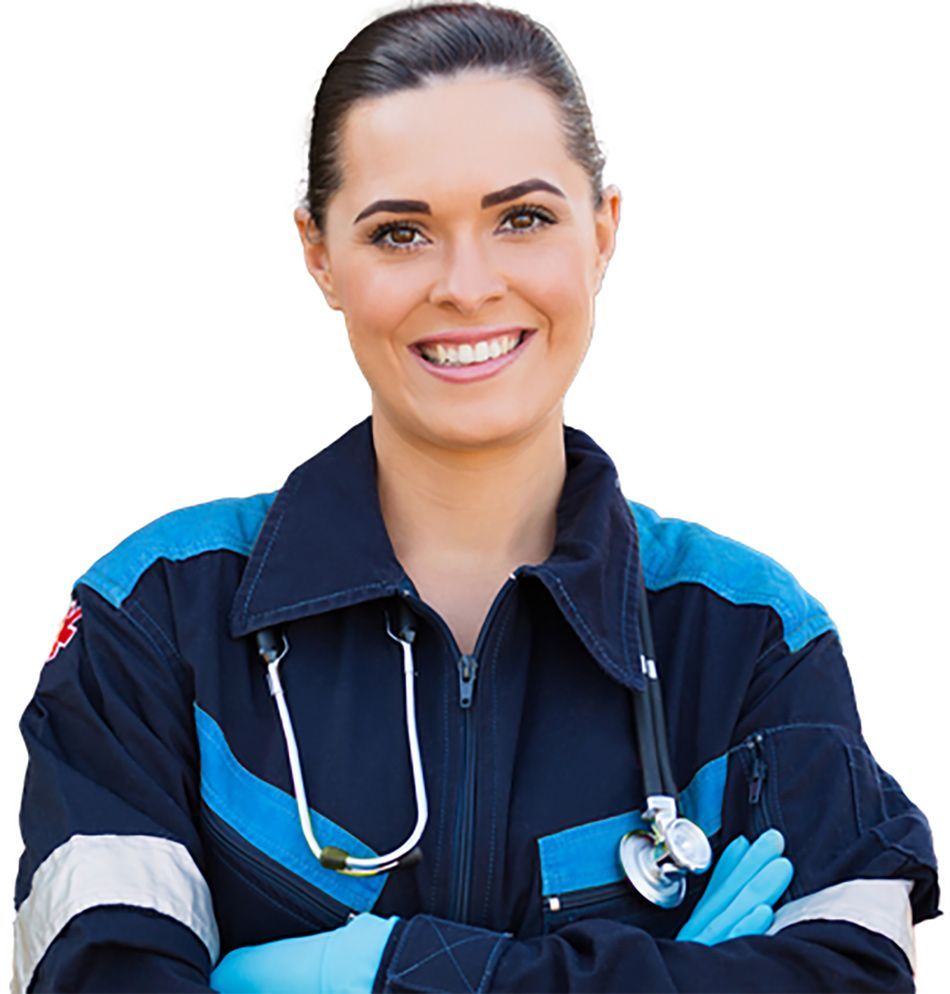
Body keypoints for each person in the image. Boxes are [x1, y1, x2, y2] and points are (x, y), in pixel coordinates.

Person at [12, 3, 939, 992]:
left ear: (602, 232)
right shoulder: (156, 621)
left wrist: (383, 971)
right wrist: (668, 976)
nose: (465, 285)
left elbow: (852, 978)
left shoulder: (749, 641)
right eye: (400, 232)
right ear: (319, 253)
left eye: (522, 219)